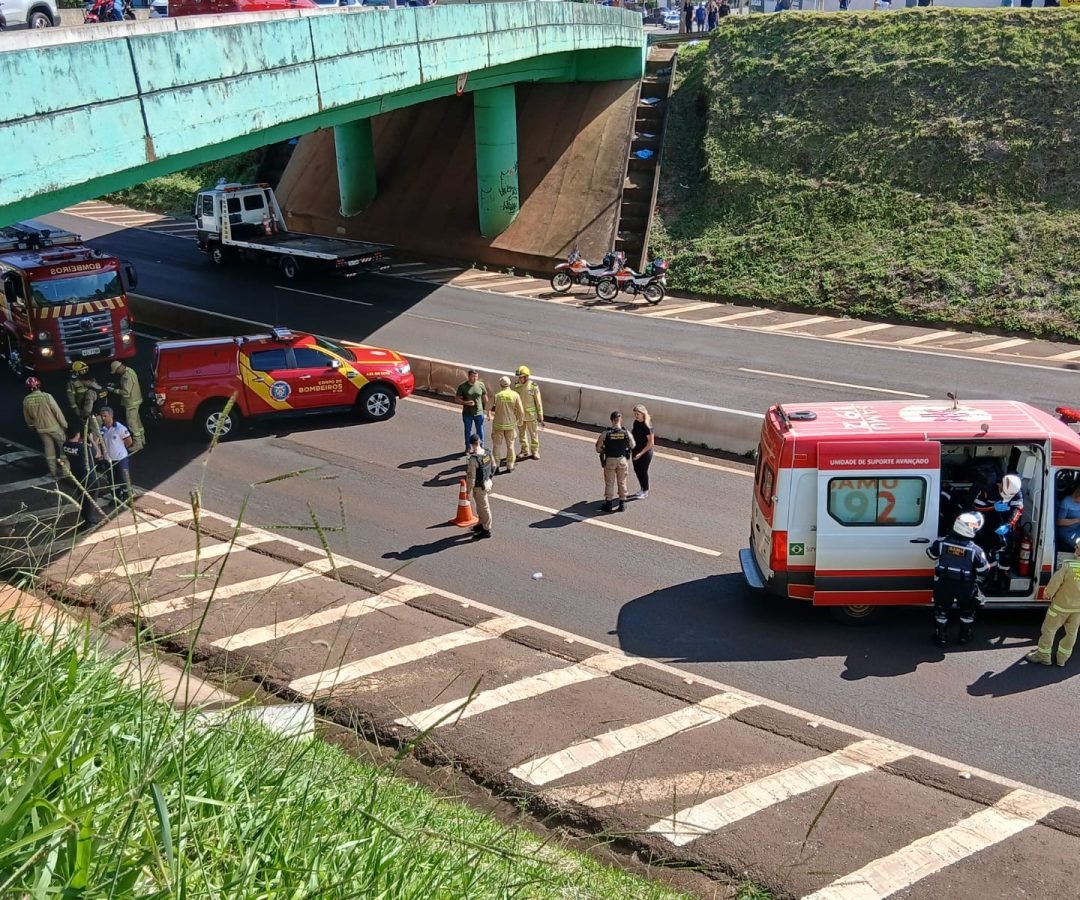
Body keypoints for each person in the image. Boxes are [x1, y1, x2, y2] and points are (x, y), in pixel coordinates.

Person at [926, 512, 991, 647]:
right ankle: (964, 637)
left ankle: (941, 637)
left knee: (941, 610)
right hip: (965, 586)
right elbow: (983, 571)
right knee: (967, 612)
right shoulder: (976, 551)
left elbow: (931, 555)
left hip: (944, 583)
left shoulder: (941, 543)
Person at [1026, 542, 1080, 667]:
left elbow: (1055, 582)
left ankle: (1044, 656)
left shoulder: (1068, 566)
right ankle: (1062, 659)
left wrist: (1048, 593)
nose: (1075, 548)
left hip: (1060, 606)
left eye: (1077, 547)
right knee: (1072, 633)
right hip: (1078, 609)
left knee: (1049, 630)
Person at [974, 473, 1024, 583]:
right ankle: (990, 574)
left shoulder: (1017, 493)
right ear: (1000, 485)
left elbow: (1018, 510)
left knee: (1007, 551)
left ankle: (1003, 575)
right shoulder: (988, 490)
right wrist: (993, 507)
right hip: (988, 524)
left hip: (1005, 526)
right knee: (986, 549)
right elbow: (977, 506)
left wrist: (1009, 524)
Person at [22, 377, 69, 479]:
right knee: (63, 449)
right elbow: (57, 412)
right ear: (39, 385)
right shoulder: (47, 396)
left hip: (41, 429)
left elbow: (27, 418)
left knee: (49, 450)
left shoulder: (26, 400)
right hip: (54, 427)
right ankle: (66, 473)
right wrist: (64, 424)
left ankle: (53, 473)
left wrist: (32, 427)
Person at [61, 427, 103, 528]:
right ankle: (90, 521)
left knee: (83, 499)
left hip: (78, 476)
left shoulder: (65, 446)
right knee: (90, 500)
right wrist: (93, 441)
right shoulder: (83, 448)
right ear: (77, 435)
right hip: (89, 478)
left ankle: (86, 519)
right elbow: (97, 455)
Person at [596, 410, 635, 513]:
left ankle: (608, 504)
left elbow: (598, 449)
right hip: (622, 460)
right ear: (621, 420)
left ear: (612, 420)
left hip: (610, 460)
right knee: (622, 481)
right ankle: (622, 504)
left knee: (609, 482)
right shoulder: (626, 433)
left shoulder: (606, 434)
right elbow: (633, 445)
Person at [489, 376, 524, 473]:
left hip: (498, 425)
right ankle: (510, 465)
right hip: (510, 425)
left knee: (496, 446)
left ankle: (495, 465)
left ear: (500, 384)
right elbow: (521, 411)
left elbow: (488, 406)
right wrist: (520, 422)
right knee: (510, 446)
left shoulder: (497, 395)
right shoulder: (515, 395)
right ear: (509, 384)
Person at [108, 359, 145, 452]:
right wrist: (115, 384)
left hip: (131, 403)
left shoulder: (126, 376)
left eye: (116, 371)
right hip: (136, 400)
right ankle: (142, 439)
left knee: (131, 423)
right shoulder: (129, 370)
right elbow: (125, 385)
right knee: (137, 422)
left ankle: (138, 444)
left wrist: (113, 390)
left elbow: (125, 392)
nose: (117, 373)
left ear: (119, 368)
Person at [99, 406, 133, 505]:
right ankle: (116, 498)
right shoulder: (103, 429)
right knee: (112, 481)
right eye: (102, 416)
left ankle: (127, 497)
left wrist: (120, 450)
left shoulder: (120, 428)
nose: (103, 418)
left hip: (120, 458)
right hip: (108, 460)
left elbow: (129, 441)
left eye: (105, 416)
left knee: (123, 478)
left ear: (111, 416)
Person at [465, 433, 494, 540]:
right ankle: (481, 524)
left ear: (472, 444)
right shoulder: (487, 453)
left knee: (484, 507)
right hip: (487, 482)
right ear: (480, 441)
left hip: (478, 487)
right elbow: (494, 466)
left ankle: (487, 530)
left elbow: (471, 478)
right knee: (480, 506)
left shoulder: (473, 459)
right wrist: (489, 478)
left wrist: (467, 492)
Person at [66, 361, 104, 441]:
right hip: (83, 410)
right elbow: (71, 397)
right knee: (87, 431)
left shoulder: (90, 379)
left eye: (85, 369)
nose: (84, 372)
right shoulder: (72, 383)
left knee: (95, 433)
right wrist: (76, 410)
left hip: (93, 410)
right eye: (82, 370)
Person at [513, 365, 544, 461]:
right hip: (521, 416)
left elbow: (538, 402)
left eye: (521, 377)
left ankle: (535, 451)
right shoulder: (517, 386)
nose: (519, 379)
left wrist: (540, 415)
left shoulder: (533, 386)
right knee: (522, 434)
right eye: (519, 377)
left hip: (531, 416)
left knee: (533, 434)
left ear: (526, 376)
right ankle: (524, 450)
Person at [455, 370, 488, 456]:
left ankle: (481, 446)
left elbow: (485, 397)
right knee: (467, 431)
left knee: (480, 430)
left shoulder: (481, 385)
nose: (475, 378)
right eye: (473, 376)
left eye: (476, 376)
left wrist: (488, 410)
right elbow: (457, 399)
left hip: (479, 412)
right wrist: (466, 402)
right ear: (469, 376)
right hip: (467, 413)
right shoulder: (463, 387)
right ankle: (468, 447)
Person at [631, 404, 655, 500]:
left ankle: (645, 491)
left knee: (643, 471)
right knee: (637, 470)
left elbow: (651, 443)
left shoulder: (647, 426)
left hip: (645, 452)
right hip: (636, 450)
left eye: (637, 414)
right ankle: (642, 488)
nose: (636, 416)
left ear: (643, 414)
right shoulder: (636, 423)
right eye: (635, 414)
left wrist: (641, 453)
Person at [1056, 483, 1080, 550]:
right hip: (1066, 531)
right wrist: (1077, 520)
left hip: (1078, 530)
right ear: (1077, 495)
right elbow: (1059, 522)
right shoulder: (1066, 502)